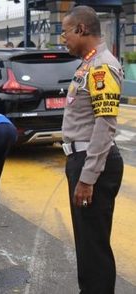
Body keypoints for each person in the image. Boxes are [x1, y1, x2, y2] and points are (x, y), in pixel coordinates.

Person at [61, 6, 124, 293]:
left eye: (65, 32)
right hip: (83, 158)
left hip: (92, 162)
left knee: (93, 245)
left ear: (81, 29)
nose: (63, 38)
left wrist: (88, 177)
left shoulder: (100, 66)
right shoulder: (88, 63)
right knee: (88, 242)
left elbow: (105, 124)